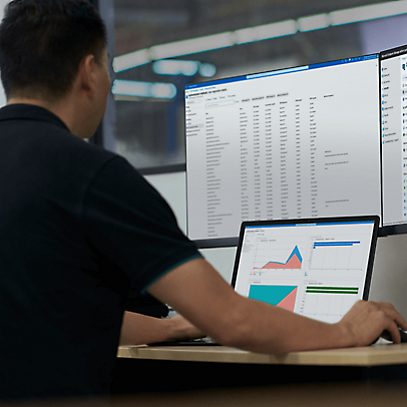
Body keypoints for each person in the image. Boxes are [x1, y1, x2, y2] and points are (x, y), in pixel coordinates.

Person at [0, 0, 405, 401]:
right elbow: (232, 320)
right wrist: (347, 331)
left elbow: (57, 310)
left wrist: (176, 327)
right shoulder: (92, 175)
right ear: (89, 72)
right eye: (109, 67)